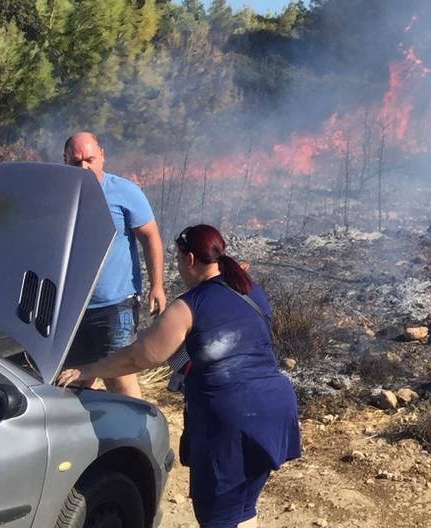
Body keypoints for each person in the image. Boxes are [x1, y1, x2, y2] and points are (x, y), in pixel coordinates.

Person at [57, 224, 301, 528]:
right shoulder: (249, 290)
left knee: (217, 516)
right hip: (275, 410)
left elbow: (138, 357)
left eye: (177, 260)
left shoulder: (189, 305)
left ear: (190, 259)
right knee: (242, 508)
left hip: (231, 419)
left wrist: (88, 369)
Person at [61, 131, 165, 397]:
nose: (84, 167)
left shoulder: (125, 192)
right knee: (71, 382)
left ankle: (138, 424)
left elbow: (151, 237)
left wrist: (157, 285)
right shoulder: (58, 195)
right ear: (65, 161)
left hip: (116, 305)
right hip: (71, 309)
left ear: (102, 157)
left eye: (90, 160)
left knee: (119, 380)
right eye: (76, 162)